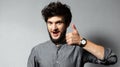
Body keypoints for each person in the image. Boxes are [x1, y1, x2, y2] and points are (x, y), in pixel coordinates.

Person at [27, 1, 117, 67]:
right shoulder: (37, 51)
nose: (53, 28)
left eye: (58, 23)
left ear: (67, 23)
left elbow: (111, 58)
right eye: (50, 23)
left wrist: (82, 42)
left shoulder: (78, 49)